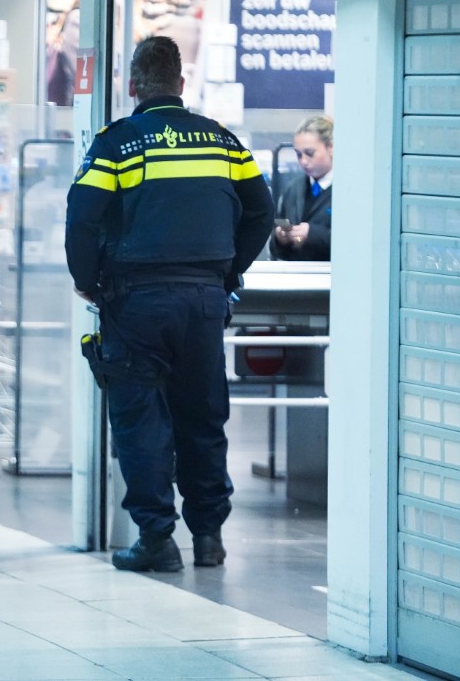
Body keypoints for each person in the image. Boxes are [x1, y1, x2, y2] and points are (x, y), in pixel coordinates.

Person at [65, 35, 274, 572]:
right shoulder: (223, 143)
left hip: (136, 303)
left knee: (141, 419)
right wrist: (229, 272)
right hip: (203, 301)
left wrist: (87, 280)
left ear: (133, 86)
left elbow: (82, 215)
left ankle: (156, 538)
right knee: (202, 417)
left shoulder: (118, 143)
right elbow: (262, 213)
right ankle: (208, 537)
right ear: (182, 84)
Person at [270, 115, 333, 261]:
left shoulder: (347, 190)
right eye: (298, 154)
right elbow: (276, 249)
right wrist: (281, 240)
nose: (303, 161)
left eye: (310, 153)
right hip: (298, 274)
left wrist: (313, 235)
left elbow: (355, 242)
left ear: (330, 147)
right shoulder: (293, 189)